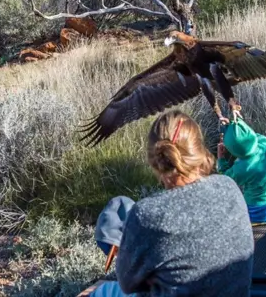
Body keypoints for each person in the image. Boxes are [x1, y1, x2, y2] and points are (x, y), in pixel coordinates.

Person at [92, 110, 255, 297]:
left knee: (104, 292)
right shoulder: (229, 186)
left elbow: (128, 284)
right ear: (198, 150)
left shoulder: (146, 215)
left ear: (155, 161)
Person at [217, 117, 266, 226]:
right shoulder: (264, 141)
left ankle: (257, 222)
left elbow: (225, 180)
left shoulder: (243, 168)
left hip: (258, 213)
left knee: (223, 213)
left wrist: (221, 158)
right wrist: (230, 128)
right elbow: (246, 136)